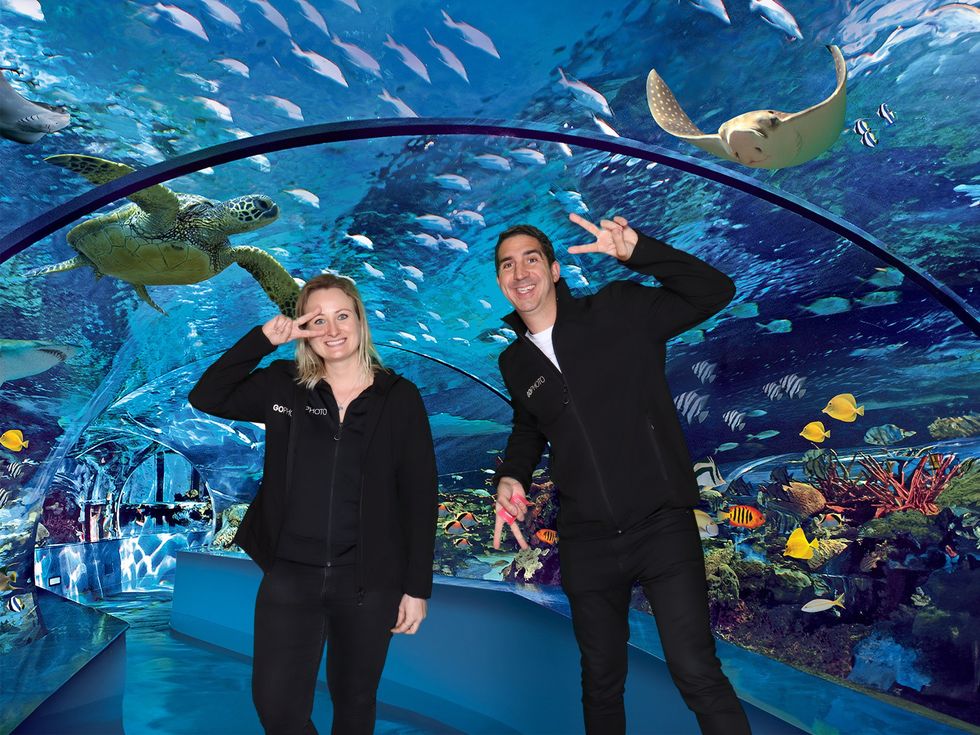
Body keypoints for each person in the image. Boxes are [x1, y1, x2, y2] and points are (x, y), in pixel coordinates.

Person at [491, 213, 751, 735]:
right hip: (586, 540)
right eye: (507, 265)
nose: (520, 272)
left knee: (697, 672)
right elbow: (529, 425)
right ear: (500, 281)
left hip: (661, 525)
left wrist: (639, 251)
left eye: (531, 259)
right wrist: (512, 475)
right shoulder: (513, 362)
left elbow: (713, 291)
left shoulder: (621, 309)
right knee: (601, 684)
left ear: (556, 270)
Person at [188, 273, 438, 735]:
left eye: (342, 316)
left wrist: (416, 587)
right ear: (304, 328)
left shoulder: (399, 397)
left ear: (361, 321)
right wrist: (263, 339)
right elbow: (206, 395)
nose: (332, 329)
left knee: (356, 704)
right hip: (290, 577)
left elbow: (420, 494)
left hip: (369, 583)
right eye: (317, 319)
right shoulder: (283, 385)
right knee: (276, 709)